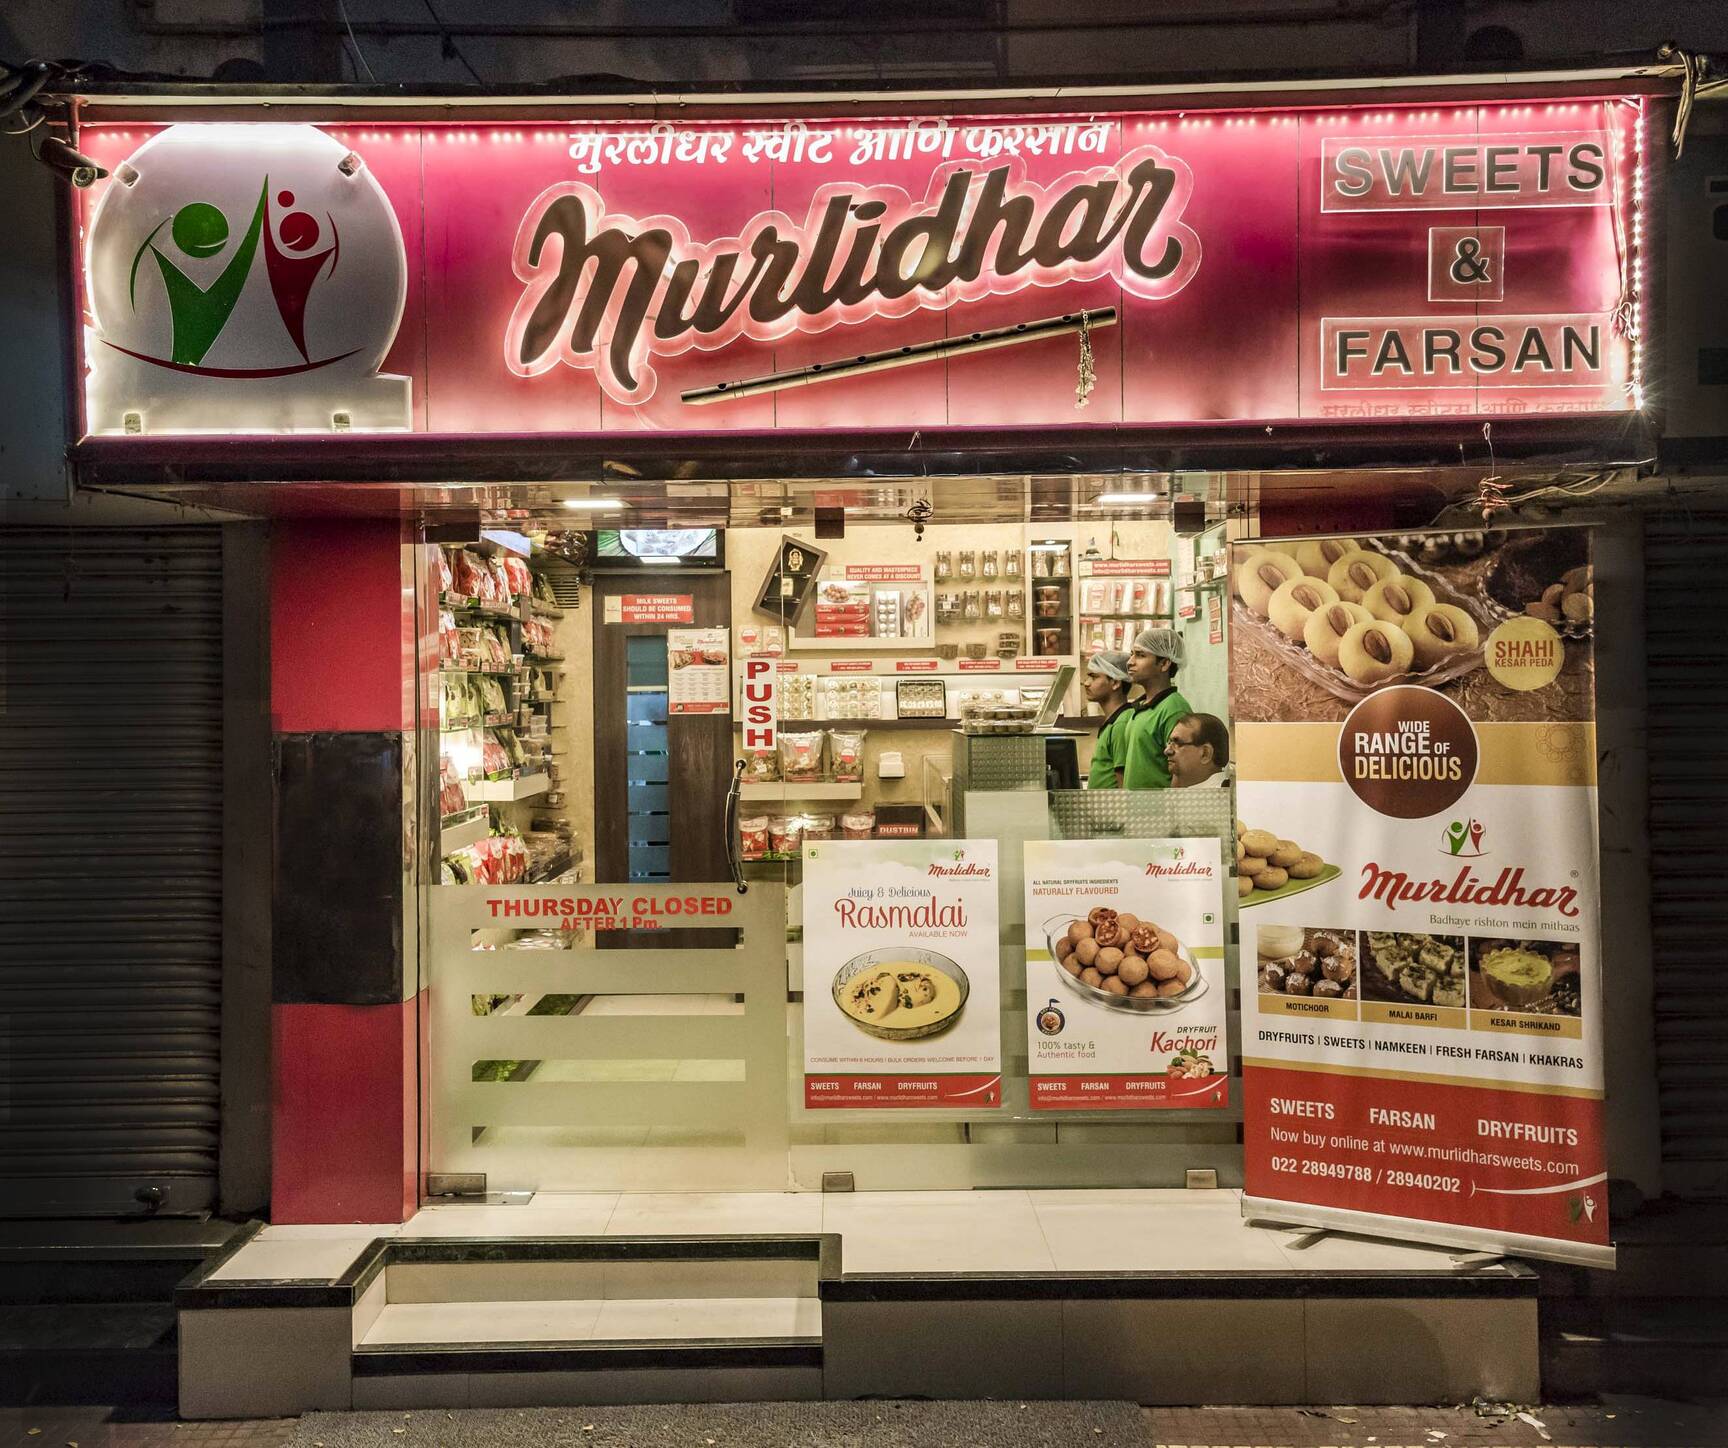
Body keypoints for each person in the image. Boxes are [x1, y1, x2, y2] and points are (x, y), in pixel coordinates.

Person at [1122, 627, 1191, 790]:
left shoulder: (1174, 709)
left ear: (1164, 663)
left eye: (1140, 655)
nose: (1130, 662)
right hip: (1136, 805)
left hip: (1159, 806)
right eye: (1132, 654)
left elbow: (1182, 771)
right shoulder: (1141, 707)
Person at [1082, 650, 1135, 789]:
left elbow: (1123, 783)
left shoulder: (1121, 724)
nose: (1086, 683)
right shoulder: (1113, 721)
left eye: (1094, 677)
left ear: (1115, 683)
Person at [1166, 712, 1231, 787]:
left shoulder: (1223, 793)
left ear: (1205, 753)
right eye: (1169, 743)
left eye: (1178, 743)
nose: (1167, 751)